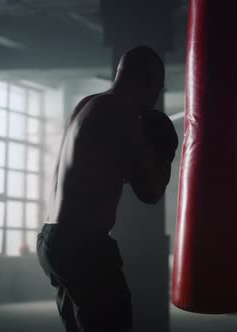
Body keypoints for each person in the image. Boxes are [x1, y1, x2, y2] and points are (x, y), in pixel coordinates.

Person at [37, 46, 177, 332]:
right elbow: (150, 192)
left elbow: (101, 172)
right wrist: (165, 156)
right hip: (83, 245)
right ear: (146, 80)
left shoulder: (90, 104)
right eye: (156, 89)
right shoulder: (123, 113)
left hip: (53, 241)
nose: (155, 100)